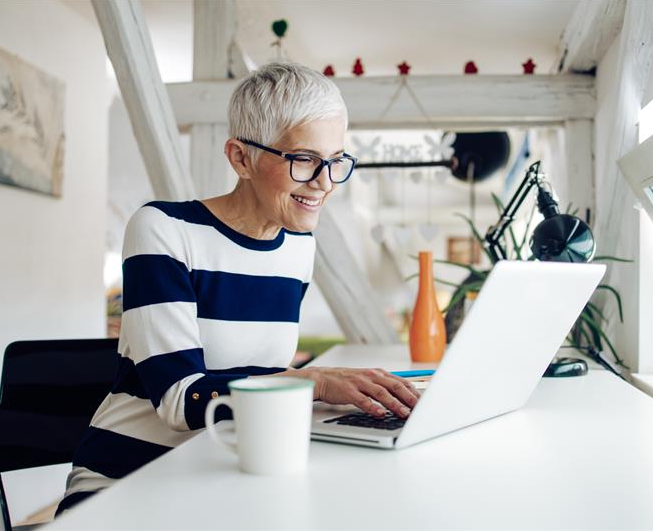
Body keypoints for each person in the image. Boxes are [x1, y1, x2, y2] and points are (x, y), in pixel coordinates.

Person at [56, 62, 419, 515]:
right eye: (304, 159)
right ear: (240, 158)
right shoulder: (163, 229)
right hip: (128, 482)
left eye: (335, 160)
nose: (324, 183)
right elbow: (180, 399)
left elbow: (262, 375)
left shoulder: (298, 249)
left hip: (223, 468)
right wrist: (320, 383)